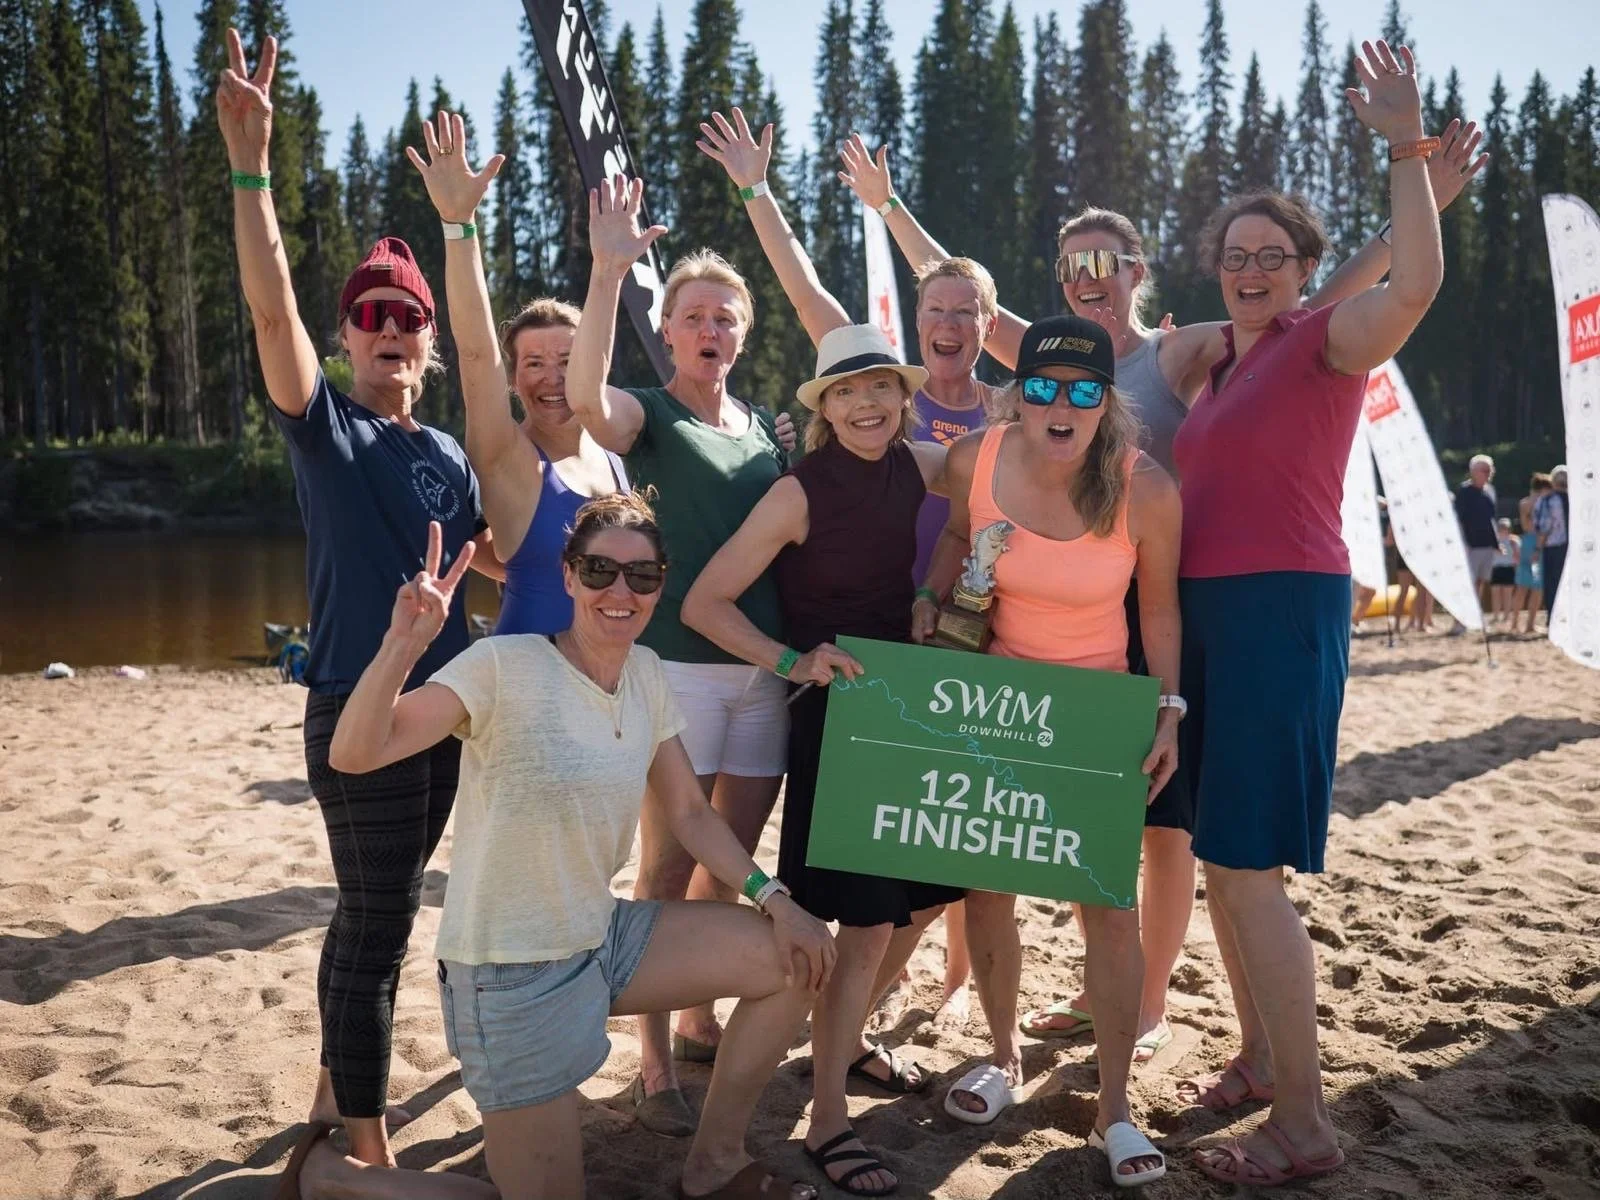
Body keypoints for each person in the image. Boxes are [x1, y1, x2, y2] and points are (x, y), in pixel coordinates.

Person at [837, 111, 1486, 1063]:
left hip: (1169, 603)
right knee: (1074, 816)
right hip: (1082, 610)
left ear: (1138, 273)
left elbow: (1300, 310)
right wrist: (888, 204)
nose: (1089, 279)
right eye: (1073, 267)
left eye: (1107, 263)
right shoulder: (1056, 356)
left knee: (1164, 830)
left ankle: (1144, 1005)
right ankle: (1082, 999)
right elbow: (961, 291)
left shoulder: (1176, 353)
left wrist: (1404, 221)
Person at [280, 497, 833, 1200]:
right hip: (509, 973)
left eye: (642, 575)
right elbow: (355, 754)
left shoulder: (645, 672)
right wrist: (402, 646)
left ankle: (714, 1164)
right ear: (568, 576)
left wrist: (776, 900)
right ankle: (331, 1173)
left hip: (601, 936)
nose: (620, 590)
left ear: (660, 586)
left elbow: (692, 813)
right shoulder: (503, 665)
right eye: (600, 570)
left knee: (797, 957)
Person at [216, 30, 502, 1171]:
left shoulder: (448, 451)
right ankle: (365, 1158)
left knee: (374, 912)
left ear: (428, 339)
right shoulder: (325, 428)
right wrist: (252, 170)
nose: (390, 329)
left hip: (441, 714)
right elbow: (268, 310)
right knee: (379, 929)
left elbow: (488, 560)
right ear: (345, 336)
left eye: (407, 317)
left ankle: (331, 1102)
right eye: (370, 315)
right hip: (356, 704)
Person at [1167, 40, 1445, 1187]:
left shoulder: (1323, 343)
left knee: (1248, 870)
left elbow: (1413, 286)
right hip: (1206, 617)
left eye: (1269, 257)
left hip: (1280, 608)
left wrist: (1406, 150)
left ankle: (1303, 1124)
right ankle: (1255, 1058)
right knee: (1220, 857)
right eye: (1233, 256)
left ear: (1302, 270)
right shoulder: (1217, 366)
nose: (1249, 271)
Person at [684, 321, 964, 1198]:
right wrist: (792, 661)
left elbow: (994, 477)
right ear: (825, 409)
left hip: (906, 705)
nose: (866, 404)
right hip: (835, 718)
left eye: (880, 386)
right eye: (846, 391)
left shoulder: (920, 465)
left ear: (904, 397)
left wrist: (933, 592)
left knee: (914, 902)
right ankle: (828, 1119)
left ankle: (842, 1049)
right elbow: (704, 602)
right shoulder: (797, 492)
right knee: (862, 922)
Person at [914, 314, 1181, 1187]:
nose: (1060, 407)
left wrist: (1169, 713)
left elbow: (1159, 611)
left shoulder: (1146, 491)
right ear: (1015, 396)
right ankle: (1002, 1056)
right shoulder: (976, 459)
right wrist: (930, 595)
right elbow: (957, 537)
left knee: (1107, 909)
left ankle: (1115, 1109)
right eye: (1041, 388)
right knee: (987, 891)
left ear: (1108, 402)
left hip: (1097, 713)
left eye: (1081, 391)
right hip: (996, 702)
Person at [564, 176, 793, 1135]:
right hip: (678, 671)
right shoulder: (651, 416)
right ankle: (653, 1060)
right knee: (662, 870)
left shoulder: (767, 431)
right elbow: (584, 398)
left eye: (724, 318)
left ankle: (696, 1013)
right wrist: (607, 271)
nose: (709, 329)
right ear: (668, 330)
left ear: (742, 335)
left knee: (728, 861)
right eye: (694, 316)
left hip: (764, 673)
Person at [1450, 453, 1498, 634]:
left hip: (1486, 545)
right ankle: (1458, 621)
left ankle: (1473, 617)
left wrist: (1495, 543)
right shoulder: (1464, 492)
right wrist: (1463, 543)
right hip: (1470, 546)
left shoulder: (1489, 492)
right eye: (1484, 470)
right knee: (1466, 585)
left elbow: (1491, 520)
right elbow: (1458, 520)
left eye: (1489, 470)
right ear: (1473, 471)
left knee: (1479, 584)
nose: (1488, 473)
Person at [1515, 473, 1551, 634]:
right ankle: (1529, 624)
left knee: (1522, 585)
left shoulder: (1524, 503)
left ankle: (1514, 623)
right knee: (1537, 586)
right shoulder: (1543, 502)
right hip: (1537, 543)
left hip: (1526, 541)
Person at [1535, 465, 1570, 622]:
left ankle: (1554, 618)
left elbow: (1545, 526)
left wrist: (1538, 548)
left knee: (1552, 583)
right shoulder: (1576, 499)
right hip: (1573, 548)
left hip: (1553, 547)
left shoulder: (1548, 500)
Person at [1489, 518, 1518, 628]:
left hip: (1508, 568)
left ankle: (1506, 616)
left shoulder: (1514, 541)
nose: (1503, 529)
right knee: (1495, 593)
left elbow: (1517, 555)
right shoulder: (1493, 541)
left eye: (1505, 527)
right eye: (1501, 527)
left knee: (1507, 594)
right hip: (1496, 568)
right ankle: (1496, 616)